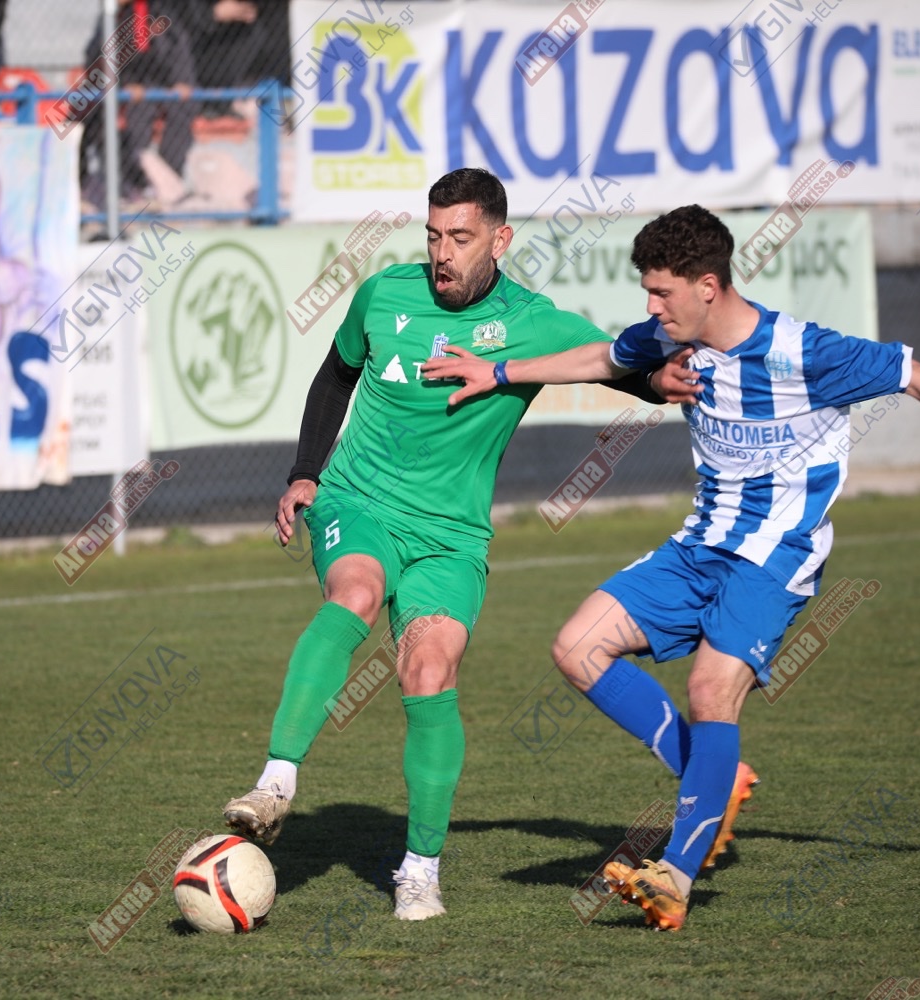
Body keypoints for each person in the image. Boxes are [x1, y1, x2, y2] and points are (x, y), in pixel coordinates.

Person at [421, 204, 920, 931]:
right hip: (700, 544)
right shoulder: (672, 338)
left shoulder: (804, 351)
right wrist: (498, 371)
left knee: (709, 688)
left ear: (708, 286)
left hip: (776, 553)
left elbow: (912, 373)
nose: (650, 306)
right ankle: (713, 772)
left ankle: (676, 875)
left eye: (661, 292)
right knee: (576, 647)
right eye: (647, 291)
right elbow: (603, 358)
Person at [221, 167, 696, 921]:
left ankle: (419, 870)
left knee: (428, 671)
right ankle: (276, 783)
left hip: (451, 537)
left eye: (461, 238)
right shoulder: (385, 294)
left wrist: (663, 381)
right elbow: (335, 375)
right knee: (357, 591)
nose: (443, 253)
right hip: (359, 502)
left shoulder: (531, 321)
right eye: (434, 236)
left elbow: (616, 364)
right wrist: (305, 473)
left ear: (499, 241)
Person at [79, 0, 197, 207]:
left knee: (180, 110)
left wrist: (181, 81)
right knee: (130, 117)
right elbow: (96, 60)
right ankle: (134, 185)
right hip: (118, 86)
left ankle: (169, 180)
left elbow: (176, 50)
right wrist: (124, 84)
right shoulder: (110, 18)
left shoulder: (158, 12)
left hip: (156, 83)